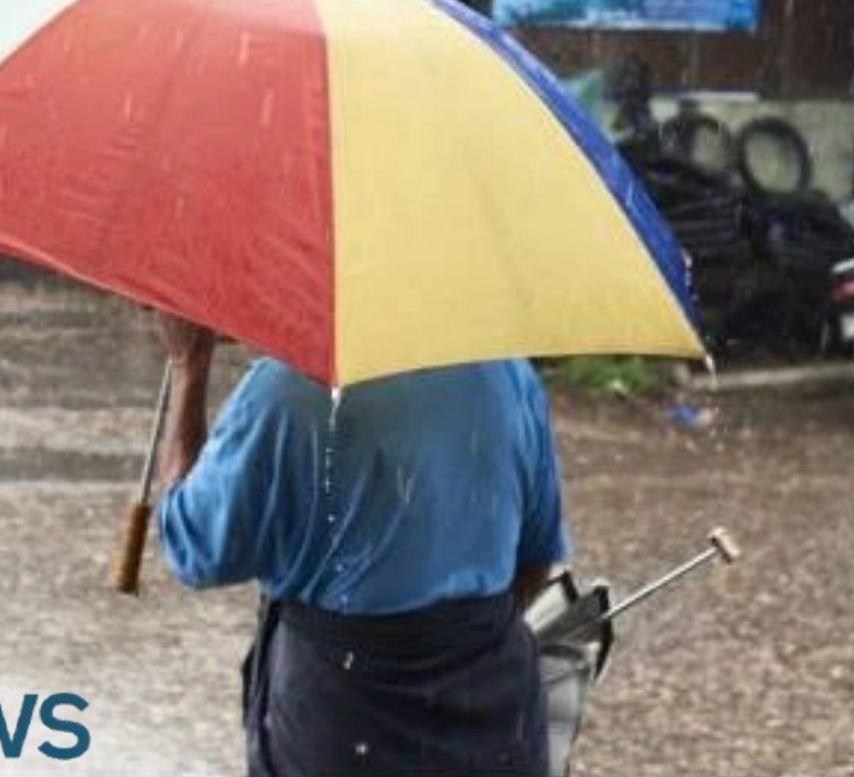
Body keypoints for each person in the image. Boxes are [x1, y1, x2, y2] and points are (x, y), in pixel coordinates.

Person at [153, 313, 568, 777]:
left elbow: (196, 548)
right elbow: (535, 558)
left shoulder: (285, 391)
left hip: (340, 716)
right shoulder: (505, 372)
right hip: (493, 712)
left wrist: (190, 367)